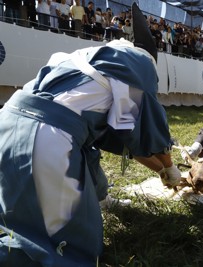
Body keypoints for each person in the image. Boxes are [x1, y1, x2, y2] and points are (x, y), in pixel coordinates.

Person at [0, 3, 181, 266]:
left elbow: (125, 138)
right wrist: (169, 168)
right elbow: (148, 135)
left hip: (7, 125)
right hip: (47, 137)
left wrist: (161, 171)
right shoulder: (139, 66)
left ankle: (101, 198)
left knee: (12, 215)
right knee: (56, 244)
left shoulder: (94, 58)